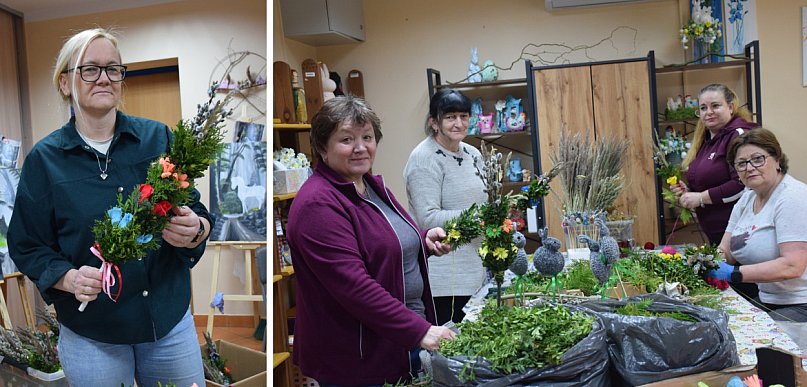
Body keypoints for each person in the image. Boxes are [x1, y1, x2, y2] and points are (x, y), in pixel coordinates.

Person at [7, 28, 210, 386]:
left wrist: (196, 229)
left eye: (113, 68)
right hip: (93, 331)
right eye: (90, 69)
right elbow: (27, 244)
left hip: (166, 322)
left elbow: (198, 213)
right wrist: (67, 278)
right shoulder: (45, 160)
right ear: (65, 83)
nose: (104, 77)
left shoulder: (157, 138)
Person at [286, 95, 456, 386]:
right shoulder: (318, 204)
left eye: (367, 137)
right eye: (346, 139)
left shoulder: (369, 185)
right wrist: (419, 331)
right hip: (358, 359)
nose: (360, 147)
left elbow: (379, 248)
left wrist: (422, 244)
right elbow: (353, 285)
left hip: (398, 342)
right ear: (321, 148)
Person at [403, 88, 486, 325]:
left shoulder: (472, 153)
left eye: (464, 116)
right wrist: (480, 216)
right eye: (450, 117)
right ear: (434, 122)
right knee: (452, 354)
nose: (458, 123)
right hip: (446, 280)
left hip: (477, 270)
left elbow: (481, 202)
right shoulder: (424, 158)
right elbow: (427, 219)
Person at [708, 128, 807, 325]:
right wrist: (705, 262)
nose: (750, 167)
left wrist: (733, 273)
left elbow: (792, 266)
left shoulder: (793, 196)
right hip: (768, 299)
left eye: (758, 159)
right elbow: (725, 250)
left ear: (777, 160)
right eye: (742, 163)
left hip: (800, 304)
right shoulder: (747, 198)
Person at [671, 83, 759, 300]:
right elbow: (708, 180)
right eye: (703, 108)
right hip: (718, 237)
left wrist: (700, 198)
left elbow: (742, 184)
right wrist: (688, 191)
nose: (708, 112)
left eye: (715, 106)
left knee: (747, 299)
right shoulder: (708, 140)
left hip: (741, 237)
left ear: (731, 106)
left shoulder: (738, 135)